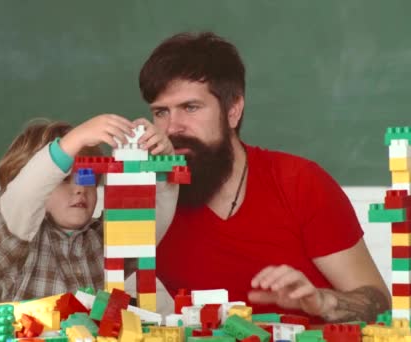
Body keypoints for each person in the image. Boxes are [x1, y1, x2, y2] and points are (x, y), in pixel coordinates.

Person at [140, 32, 390, 322]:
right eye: (160, 112)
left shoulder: (300, 183)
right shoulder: (146, 199)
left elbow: (380, 304)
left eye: (190, 107)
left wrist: (323, 301)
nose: (172, 127)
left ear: (233, 110)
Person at [0, 115, 178, 301]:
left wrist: (162, 165)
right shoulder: (16, 241)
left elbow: (150, 221)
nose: (80, 189)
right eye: (63, 180)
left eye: (89, 179)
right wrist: (76, 139)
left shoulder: (103, 241)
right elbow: (23, 194)